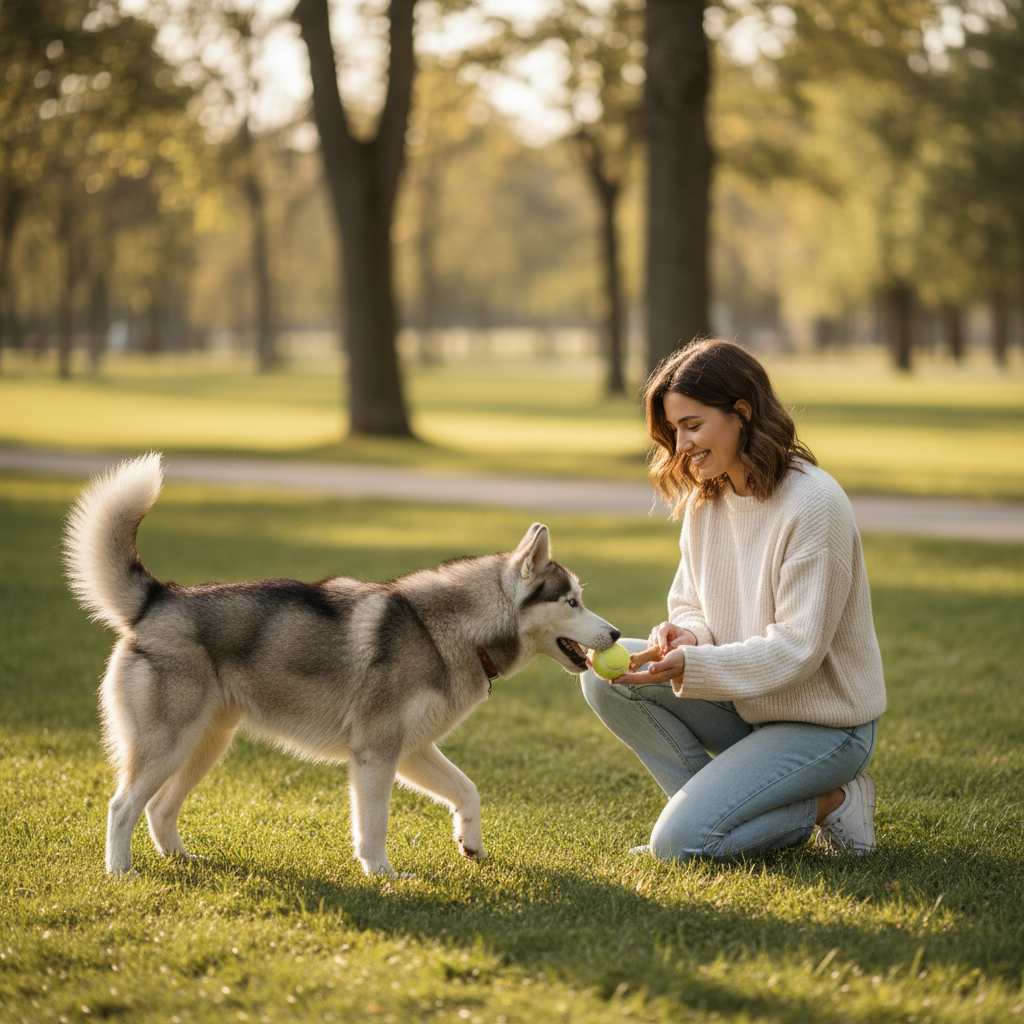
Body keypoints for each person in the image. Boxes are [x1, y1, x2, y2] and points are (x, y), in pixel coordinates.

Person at [583, 339, 886, 862]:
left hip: (825, 728)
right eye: (673, 431)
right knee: (602, 678)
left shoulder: (814, 504)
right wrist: (687, 635)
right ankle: (713, 815)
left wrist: (694, 661)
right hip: (747, 706)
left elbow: (797, 650)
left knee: (679, 847)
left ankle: (833, 800)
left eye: (692, 426)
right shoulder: (708, 500)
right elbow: (690, 602)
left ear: (741, 412)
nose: (680, 446)